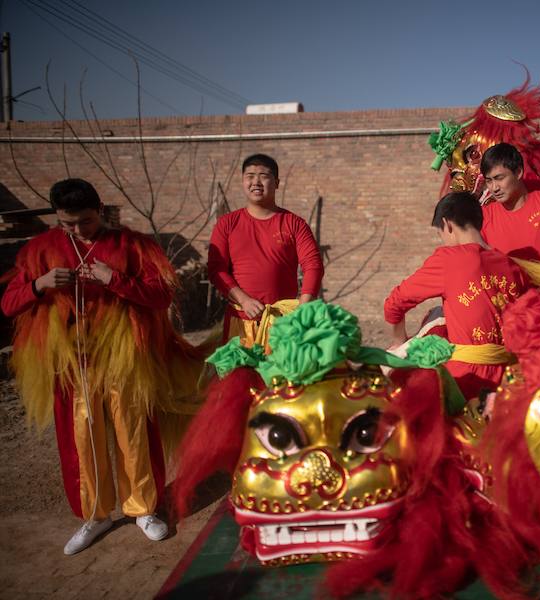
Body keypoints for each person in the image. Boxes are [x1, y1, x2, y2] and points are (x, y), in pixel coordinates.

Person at [1, 178, 203, 554]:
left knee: (134, 432)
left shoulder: (133, 245)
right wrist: (40, 284)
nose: (78, 230)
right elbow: (9, 304)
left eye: (86, 222)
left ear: (101, 211)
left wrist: (116, 280)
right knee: (81, 438)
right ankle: (95, 515)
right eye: (67, 223)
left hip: (126, 360)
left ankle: (143, 509)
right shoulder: (40, 250)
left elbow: (161, 296)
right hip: (70, 364)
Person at [384, 191, 530, 398]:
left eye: (440, 234)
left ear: (448, 224)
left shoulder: (449, 259)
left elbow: (394, 303)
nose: (443, 240)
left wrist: (400, 342)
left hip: (465, 379)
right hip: (509, 380)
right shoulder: (511, 266)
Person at [207, 153, 324, 345]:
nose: (256, 182)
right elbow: (216, 269)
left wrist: (303, 310)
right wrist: (243, 300)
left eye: (263, 176)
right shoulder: (227, 223)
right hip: (241, 323)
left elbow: (313, 265)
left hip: (284, 323)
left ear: (276, 183)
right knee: (239, 365)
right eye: (250, 176)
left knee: (284, 366)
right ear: (243, 181)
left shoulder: (294, 223)